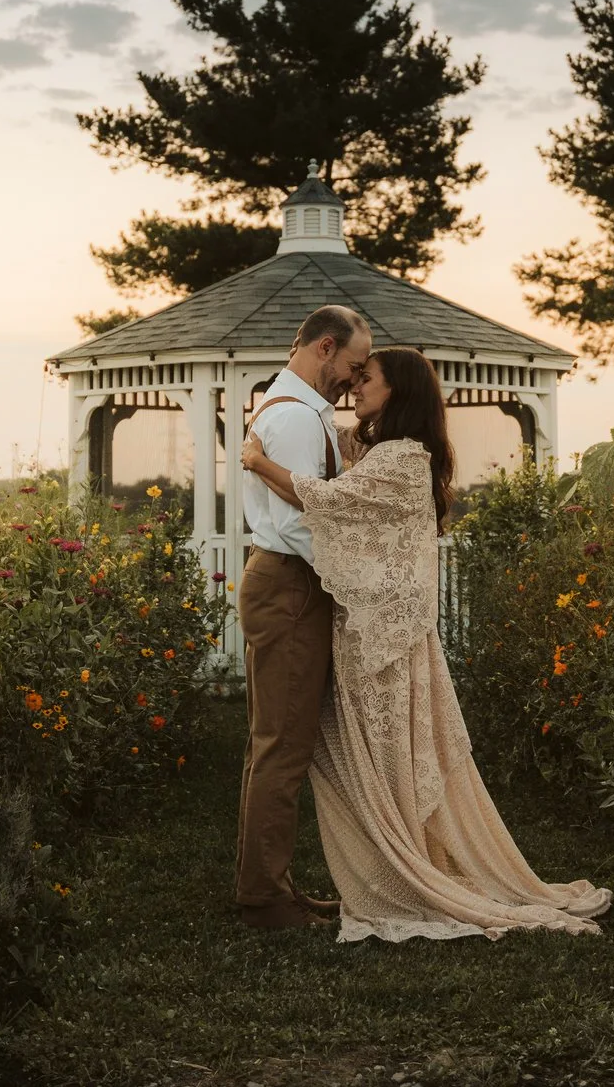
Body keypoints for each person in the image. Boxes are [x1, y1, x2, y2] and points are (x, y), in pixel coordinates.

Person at [241, 344, 611, 942]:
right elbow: (337, 450)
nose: (355, 389)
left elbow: (329, 498)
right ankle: (355, 869)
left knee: (385, 762)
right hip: (373, 632)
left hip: (380, 641)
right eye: (353, 377)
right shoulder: (388, 450)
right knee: (355, 757)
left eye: (368, 381)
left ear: (400, 392)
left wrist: (258, 460)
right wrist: (302, 403)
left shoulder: (403, 460)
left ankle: (401, 871)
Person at [233, 304, 374, 929]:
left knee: (282, 741)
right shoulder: (291, 419)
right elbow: (298, 524)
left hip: (296, 586)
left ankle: (272, 884)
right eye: (351, 365)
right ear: (324, 347)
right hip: (290, 584)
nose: (353, 378)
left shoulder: (305, 414)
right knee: (281, 746)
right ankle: (264, 897)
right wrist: (362, 577)